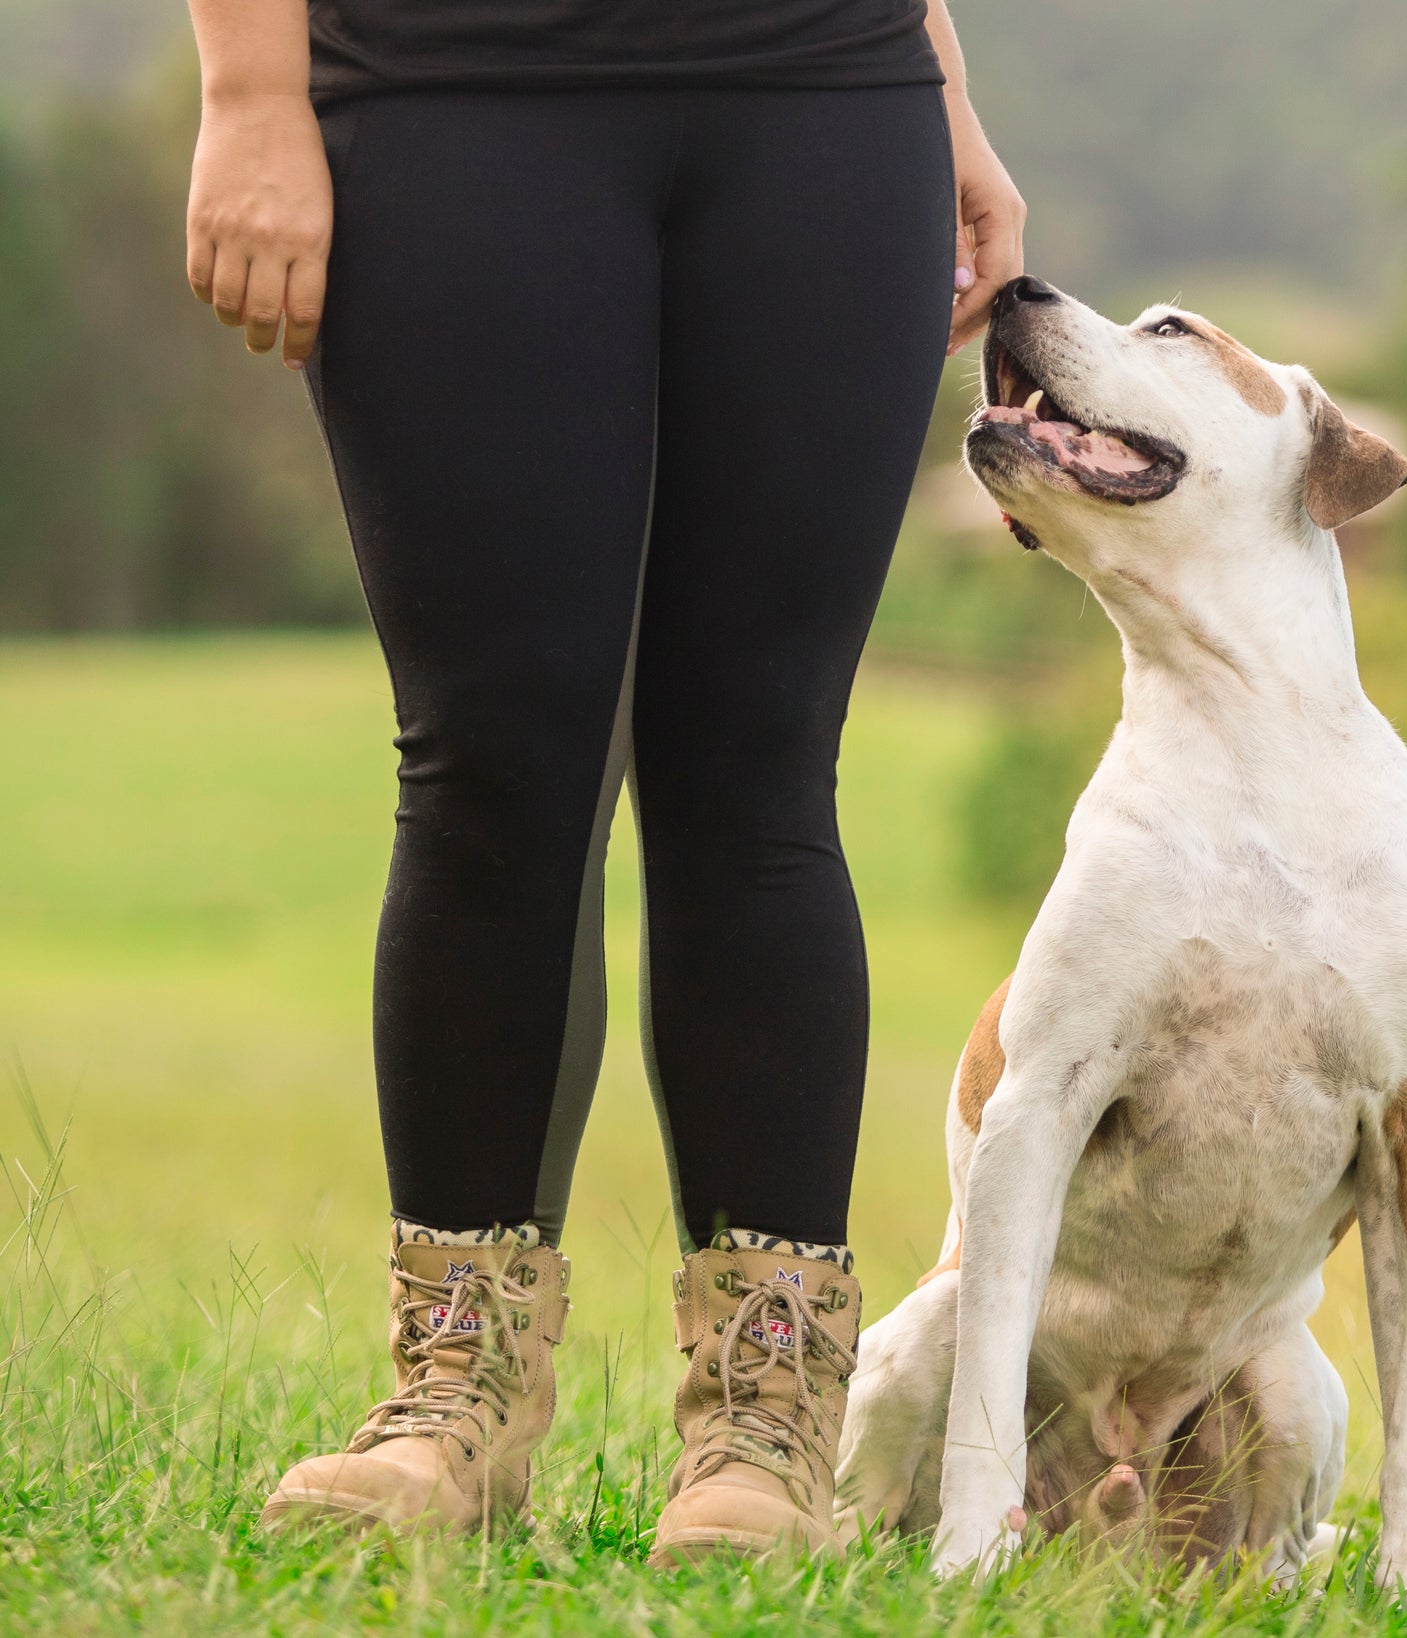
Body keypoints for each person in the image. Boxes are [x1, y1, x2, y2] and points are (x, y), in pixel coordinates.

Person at [181, 0, 1024, 1559]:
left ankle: (765, 1426)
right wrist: (248, 87)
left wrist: (944, 88)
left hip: (828, 92)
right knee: (496, 762)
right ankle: (458, 1401)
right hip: (450, 90)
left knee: (761, 772)